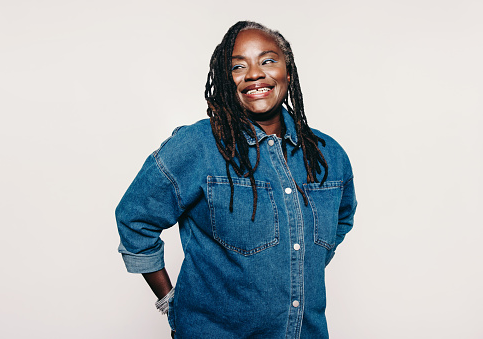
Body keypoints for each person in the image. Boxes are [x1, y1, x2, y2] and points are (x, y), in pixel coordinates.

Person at [116, 21, 357, 338]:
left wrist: (291, 260)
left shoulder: (328, 154)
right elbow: (135, 217)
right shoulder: (199, 145)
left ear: (289, 71)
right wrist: (168, 300)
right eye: (238, 67)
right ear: (227, 81)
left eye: (268, 60)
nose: (255, 73)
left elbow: (341, 219)